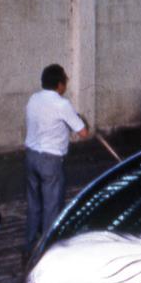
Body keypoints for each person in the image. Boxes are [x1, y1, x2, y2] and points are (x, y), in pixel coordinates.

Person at [24, 64, 89, 260]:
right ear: (60, 84)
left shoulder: (33, 99)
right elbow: (83, 132)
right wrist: (80, 120)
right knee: (51, 208)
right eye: (65, 82)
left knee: (34, 205)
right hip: (50, 160)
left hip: (30, 156)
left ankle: (29, 247)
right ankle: (46, 253)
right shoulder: (62, 104)